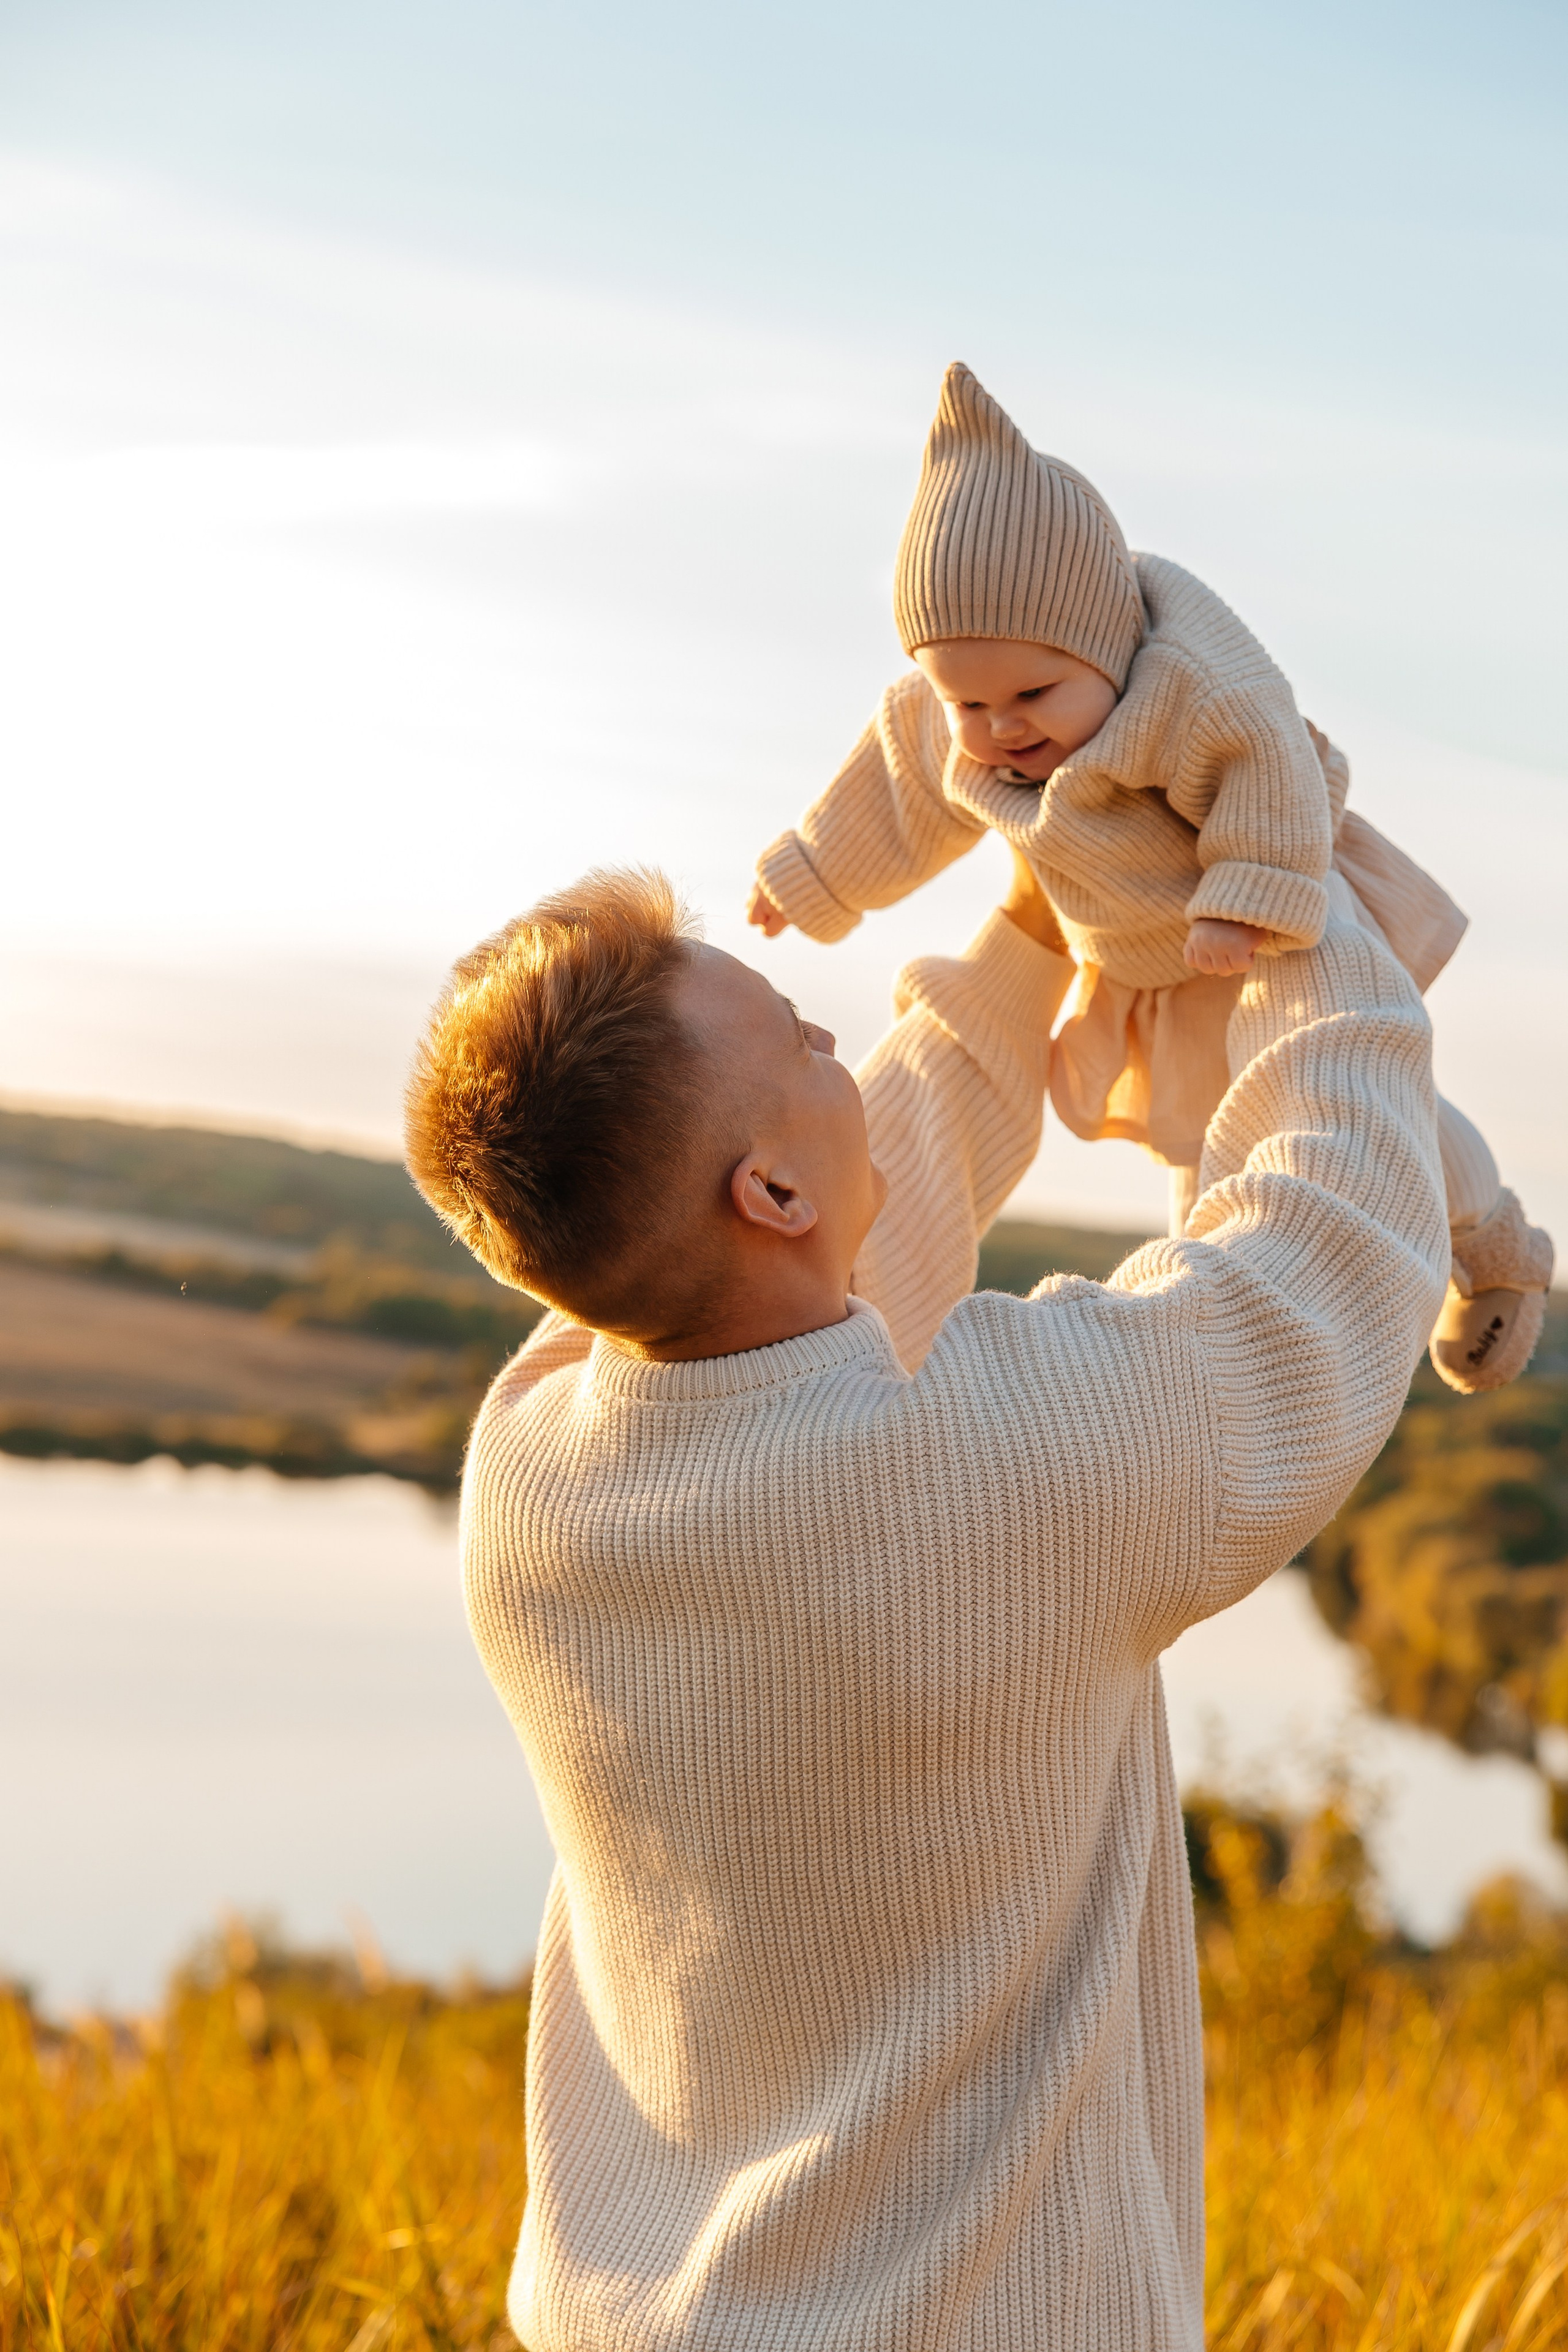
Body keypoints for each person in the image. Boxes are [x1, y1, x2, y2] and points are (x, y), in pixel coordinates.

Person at [406, 846, 1447, 2352]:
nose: (841, 1048)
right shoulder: (1014, 1471)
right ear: (762, 1185)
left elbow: (814, 1275)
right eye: (803, 1038)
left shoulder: (531, 1475)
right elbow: (1335, 1253)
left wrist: (1039, 917)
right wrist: (1296, 883)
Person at [747, 363, 1553, 1392]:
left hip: (1261, 934)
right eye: (967, 703)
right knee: (1204, 1151)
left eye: (1034, 692)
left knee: (1371, 1106)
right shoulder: (961, 720)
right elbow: (897, 787)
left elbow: (1273, 772)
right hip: (1140, 968)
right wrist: (814, 874)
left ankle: (1492, 1241)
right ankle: (1211, 1357)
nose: (999, 730)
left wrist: (1245, 896)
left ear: (1107, 647)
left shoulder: (1192, 686)